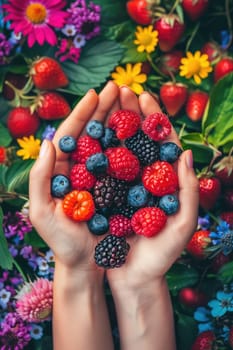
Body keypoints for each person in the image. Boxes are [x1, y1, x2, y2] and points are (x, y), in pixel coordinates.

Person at [29, 81, 199, 350]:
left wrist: (78, 270)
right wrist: (138, 285)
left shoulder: (126, 177)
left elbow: (127, 181)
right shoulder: (104, 173)